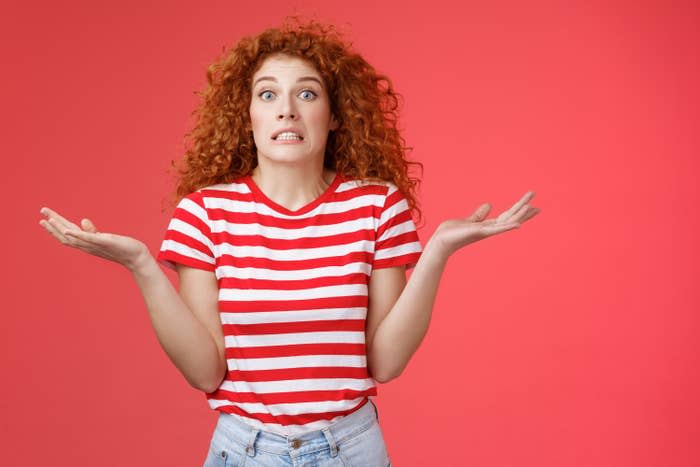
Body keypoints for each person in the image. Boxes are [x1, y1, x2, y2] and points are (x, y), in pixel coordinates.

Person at [38, 17, 539, 467]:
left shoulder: (377, 207)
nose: (287, 112)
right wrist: (142, 266)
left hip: (353, 450)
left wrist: (438, 252)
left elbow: (385, 362)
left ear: (336, 115)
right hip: (243, 451)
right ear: (248, 114)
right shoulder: (205, 212)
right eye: (268, 94)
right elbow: (207, 373)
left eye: (307, 93)